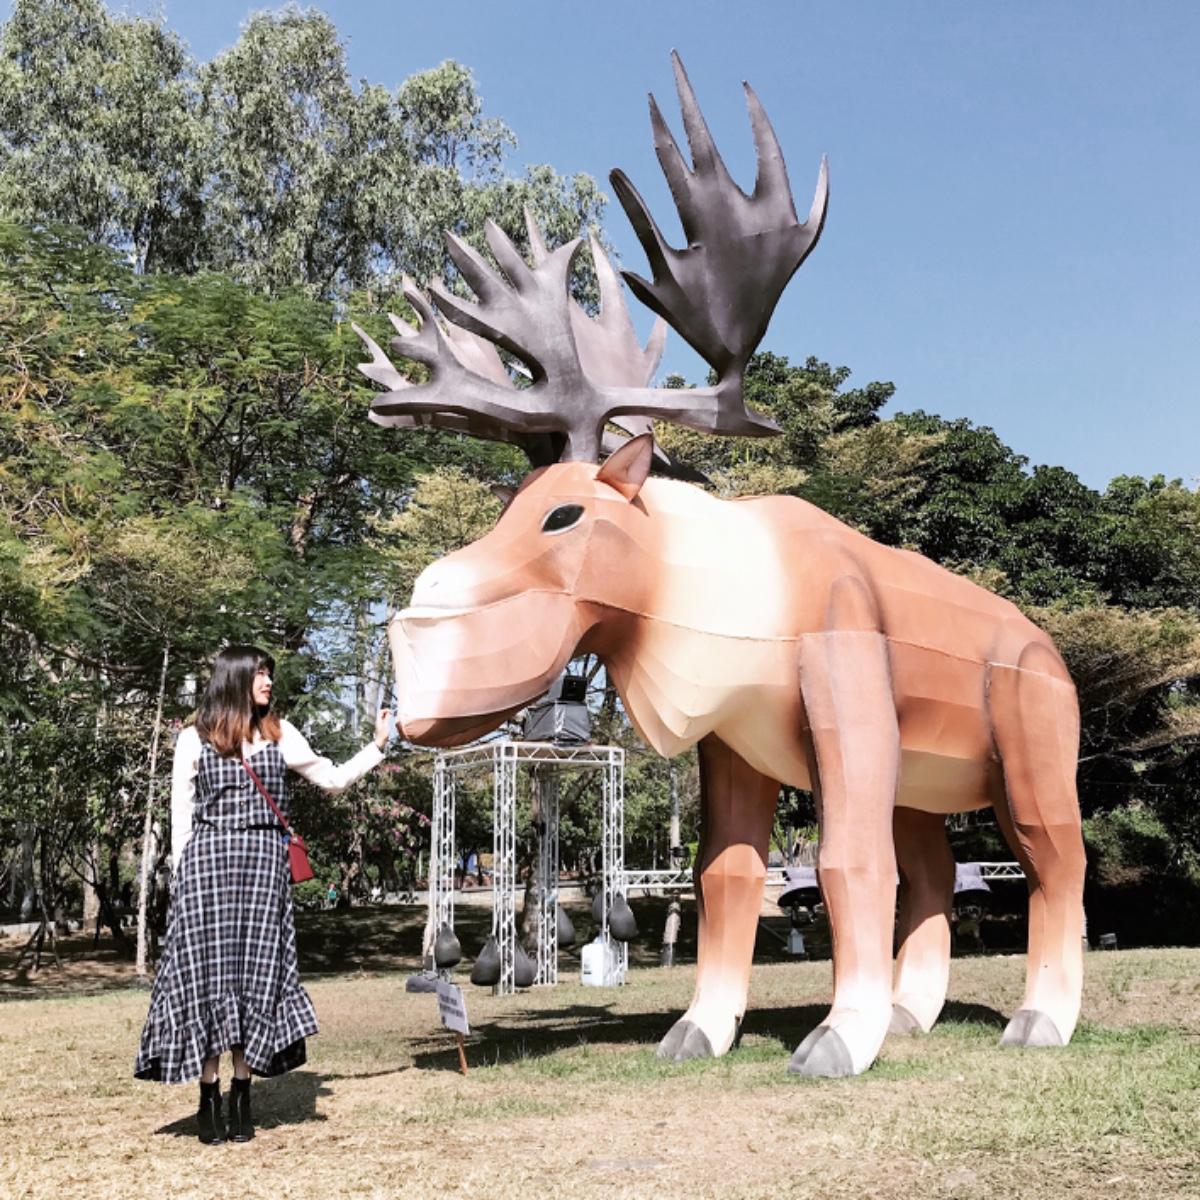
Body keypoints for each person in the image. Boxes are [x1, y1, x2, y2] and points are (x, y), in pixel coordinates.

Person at [134, 645, 390, 1145]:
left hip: (262, 872)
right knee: (207, 979)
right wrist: (182, 880)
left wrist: (377, 745)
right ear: (234, 679)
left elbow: (332, 779)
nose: (269, 682)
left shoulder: (280, 733)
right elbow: (181, 818)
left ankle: (242, 1093)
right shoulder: (193, 738)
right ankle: (208, 1094)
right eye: (260, 674)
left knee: (257, 975)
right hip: (207, 873)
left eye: (270, 673)